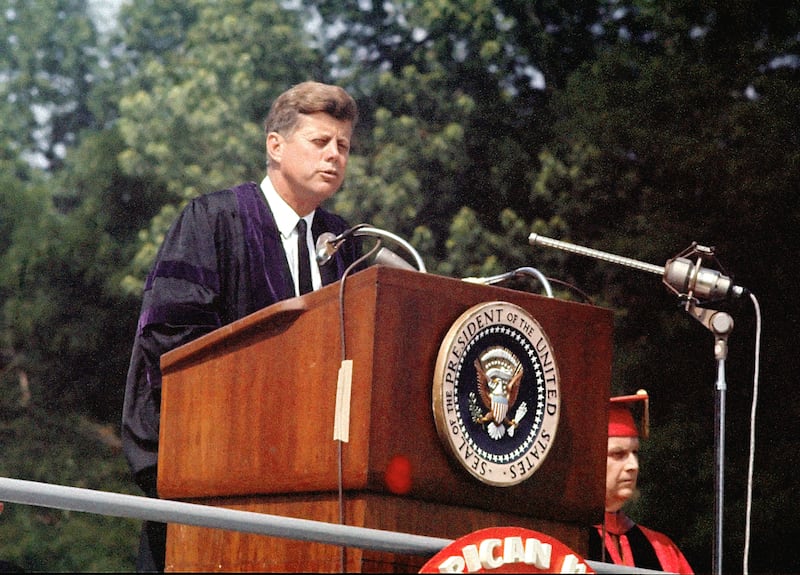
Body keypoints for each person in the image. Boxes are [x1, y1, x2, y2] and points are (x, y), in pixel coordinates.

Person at [121, 81, 362, 572]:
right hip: (213, 488)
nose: (334, 156)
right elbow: (171, 348)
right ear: (275, 145)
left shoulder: (347, 245)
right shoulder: (214, 220)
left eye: (343, 146)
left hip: (317, 495)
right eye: (320, 142)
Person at [588, 392, 694, 574]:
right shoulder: (567, 540)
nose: (633, 466)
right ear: (590, 460)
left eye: (635, 453)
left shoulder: (662, 549)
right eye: (618, 454)